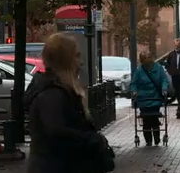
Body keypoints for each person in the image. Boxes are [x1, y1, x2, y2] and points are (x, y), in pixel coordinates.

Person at [24, 33, 113, 173]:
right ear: (65, 60)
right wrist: (93, 140)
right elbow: (57, 133)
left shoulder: (58, 90)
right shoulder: (52, 93)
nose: (80, 62)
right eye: (76, 56)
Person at [130, 51, 169, 146]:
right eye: (145, 62)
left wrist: (164, 89)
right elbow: (134, 83)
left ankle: (156, 138)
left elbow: (164, 79)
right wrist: (134, 91)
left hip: (155, 98)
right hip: (143, 99)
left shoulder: (158, 68)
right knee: (146, 119)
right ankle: (148, 140)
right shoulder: (139, 71)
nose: (147, 64)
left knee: (154, 118)